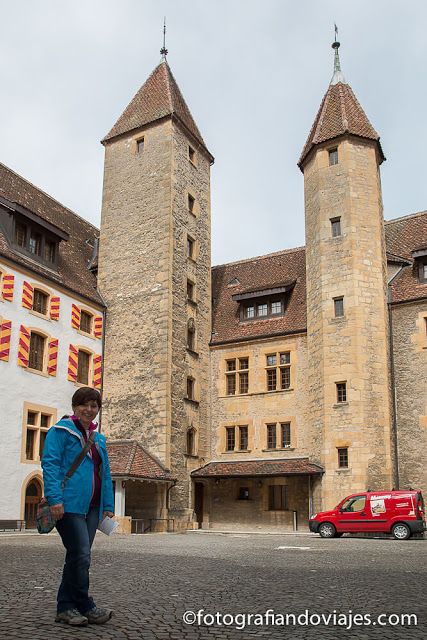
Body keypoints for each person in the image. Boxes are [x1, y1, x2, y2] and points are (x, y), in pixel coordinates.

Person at [41, 387, 115, 626]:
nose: (89, 410)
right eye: (85, 405)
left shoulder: (99, 438)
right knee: (81, 555)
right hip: (68, 504)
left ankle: (67, 607)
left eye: (94, 406)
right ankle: (84, 604)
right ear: (74, 407)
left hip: (93, 507)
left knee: (79, 557)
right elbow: (50, 465)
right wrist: (55, 499)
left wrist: (108, 504)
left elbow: (104, 473)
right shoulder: (60, 431)